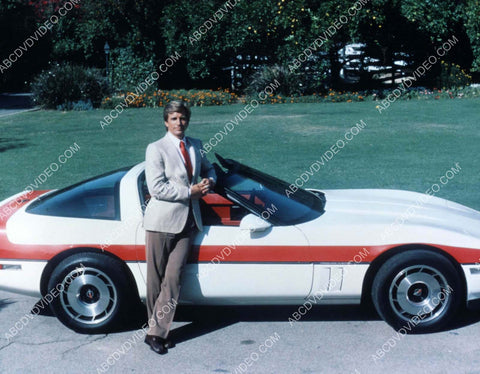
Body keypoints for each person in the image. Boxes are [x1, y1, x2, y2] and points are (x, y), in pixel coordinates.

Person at [143, 100, 216, 354]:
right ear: (166, 121)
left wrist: (209, 180)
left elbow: (209, 168)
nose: (179, 123)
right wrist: (190, 191)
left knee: (173, 277)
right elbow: (156, 188)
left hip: (189, 222)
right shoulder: (156, 149)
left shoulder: (196, 144)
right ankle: (154, 330)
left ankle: (155, 332)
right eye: (174, 118)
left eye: (183, 118)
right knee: (155, 279)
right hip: (160, 222)